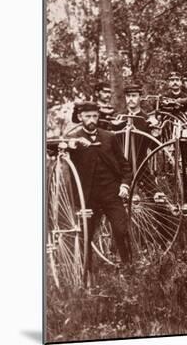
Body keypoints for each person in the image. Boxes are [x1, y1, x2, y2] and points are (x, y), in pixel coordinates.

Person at [67, 101, 133, 276]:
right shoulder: (72, 137)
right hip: (88, 197)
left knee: (121, 230)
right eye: (87, 116)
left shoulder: (109, 137)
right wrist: (70, 143)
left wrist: (124, 185)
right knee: (86, 236)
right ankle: (87, 275)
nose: (91, 120)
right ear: (80, 117)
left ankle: (129, 271)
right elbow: (51, 147)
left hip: (112, 193)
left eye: (95, 116)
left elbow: (125, 166)